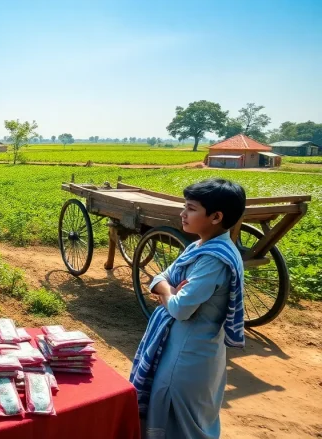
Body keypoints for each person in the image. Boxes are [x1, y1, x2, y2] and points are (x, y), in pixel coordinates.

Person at [129, 178, 247, 439]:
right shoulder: (199, 247)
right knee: (195, 421)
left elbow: (181, 310)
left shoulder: (211, 259)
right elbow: (158, 279)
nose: (182, 214)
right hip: (199, 350)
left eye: (191, 208)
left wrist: (167, 293)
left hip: (185, 357)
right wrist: (169, 290)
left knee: (179, 423)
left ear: (216, 216)